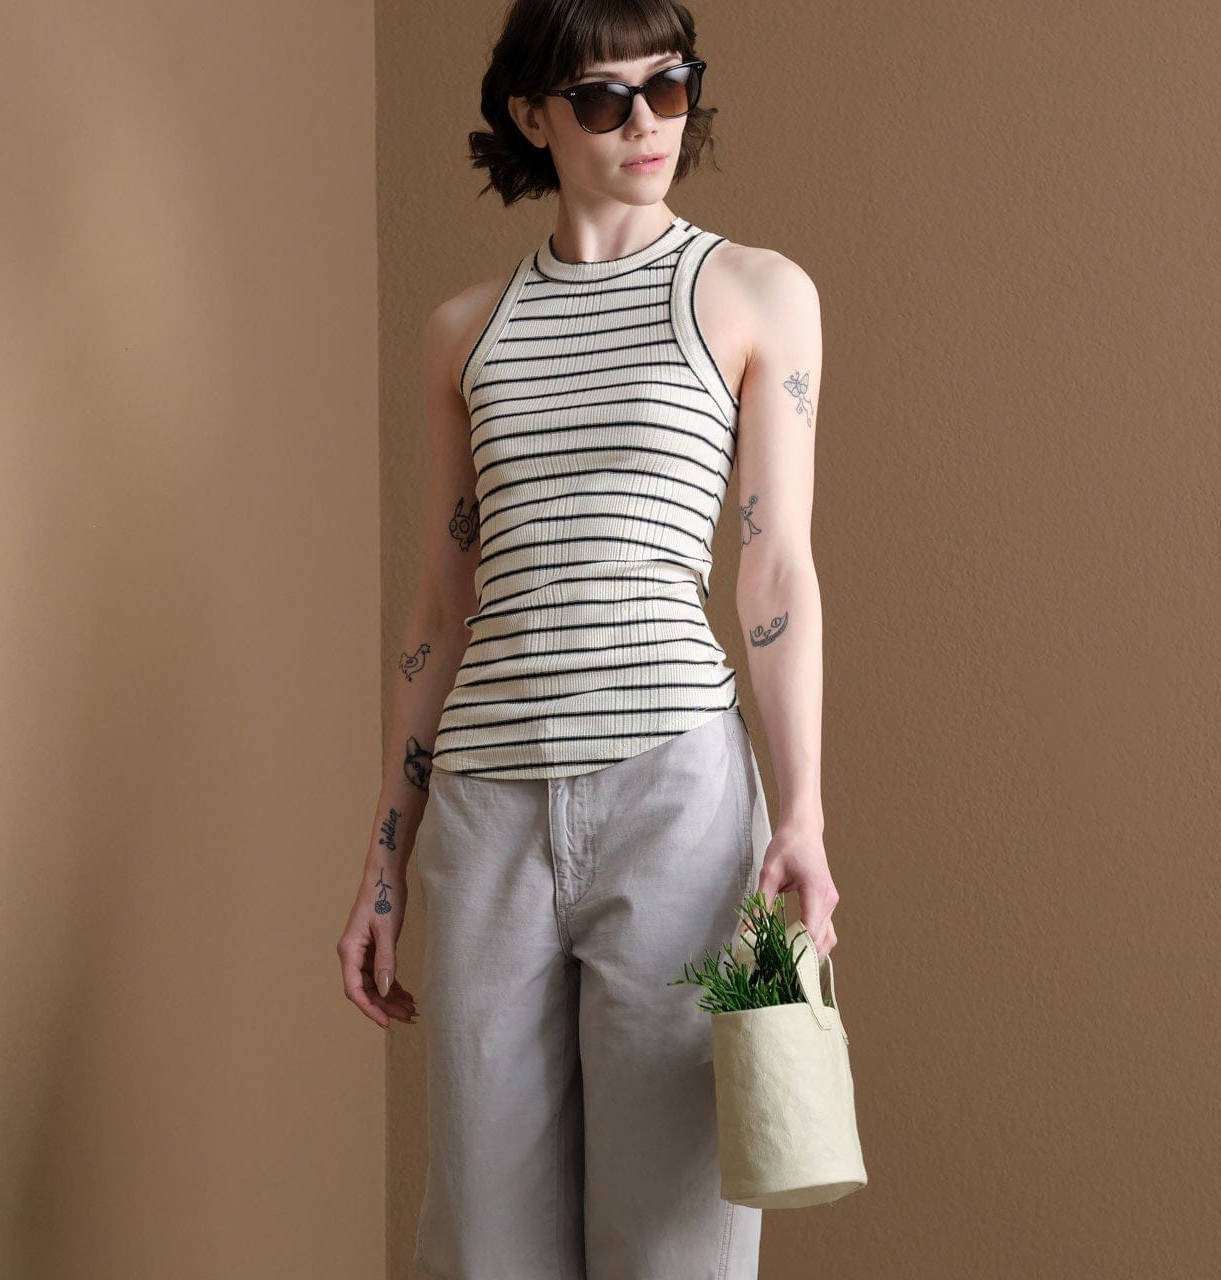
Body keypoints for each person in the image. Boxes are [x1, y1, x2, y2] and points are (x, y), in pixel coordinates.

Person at [336, 1, 837, 1274]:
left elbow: (773, 565)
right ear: (533, 116)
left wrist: (804, 815)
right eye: (607, 100)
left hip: (675, 793)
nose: (647, 125)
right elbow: (443, 607)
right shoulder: (465, 331)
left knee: (672, 1233)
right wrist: (385, 858)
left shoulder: (753, 292)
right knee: (482, 1241)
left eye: (670, 89)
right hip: (484, 814)